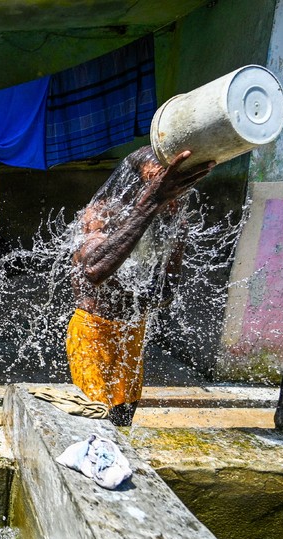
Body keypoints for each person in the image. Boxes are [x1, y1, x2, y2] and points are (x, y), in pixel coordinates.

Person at [67, 146, 213, 426]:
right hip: (94, 331)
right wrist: (152, 202)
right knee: (94, 420)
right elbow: (94, 270)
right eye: (158, 183)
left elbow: (167, 289)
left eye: (175, 185)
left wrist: (141, 295)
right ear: (134, 184)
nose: (172, 195)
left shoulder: (173, 223)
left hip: (133, 331)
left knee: (123, 419)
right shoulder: (99, 215)